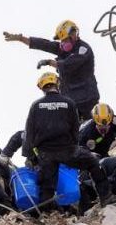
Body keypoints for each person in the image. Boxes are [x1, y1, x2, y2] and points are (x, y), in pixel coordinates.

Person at [24, 72, 110, 211]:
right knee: (93, 163)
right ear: (57, 84)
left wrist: (30, 156)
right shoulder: (68, 103)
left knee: (47, 187)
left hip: (46, 153)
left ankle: (46, 218)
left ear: (42, 87)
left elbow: (29, 132)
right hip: (67, 150)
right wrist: (74, 148)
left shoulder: (36, 105)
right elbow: (75, 129)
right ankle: (106, 198)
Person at [4, 20, 100, 120]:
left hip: (87, 100)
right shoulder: (64, 49)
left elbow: (67, 65)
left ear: (73, 35)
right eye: (62, 41)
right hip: (70, 99)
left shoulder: (83, 50)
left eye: (65, 40)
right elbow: (45, 45)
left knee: (90, 128)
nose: (63, 43)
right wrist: (21, 39)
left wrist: (49, 62)